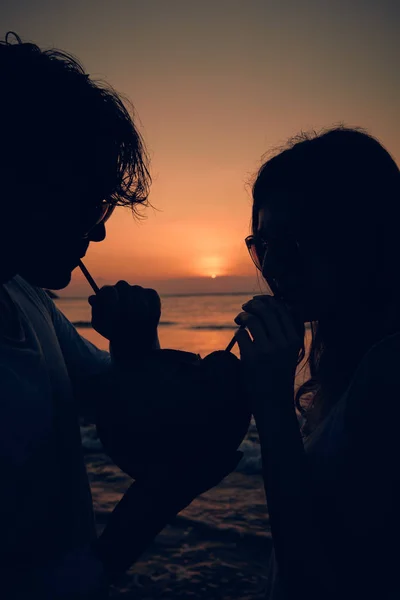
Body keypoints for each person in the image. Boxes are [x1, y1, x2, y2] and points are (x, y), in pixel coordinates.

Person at [0, 33, 239, 599]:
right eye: (91, 199)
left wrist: (137, 342)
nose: (101, 228)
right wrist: (156, 502)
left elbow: (121, 402)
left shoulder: (26, 299)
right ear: (22, 178)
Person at [234, 127, 400, 599]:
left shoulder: (388, 373)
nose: (274, 267)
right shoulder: (347, 361)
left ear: (364, 243)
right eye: (262, 246)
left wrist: (270, 405)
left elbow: (318, 579)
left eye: (294, 246)